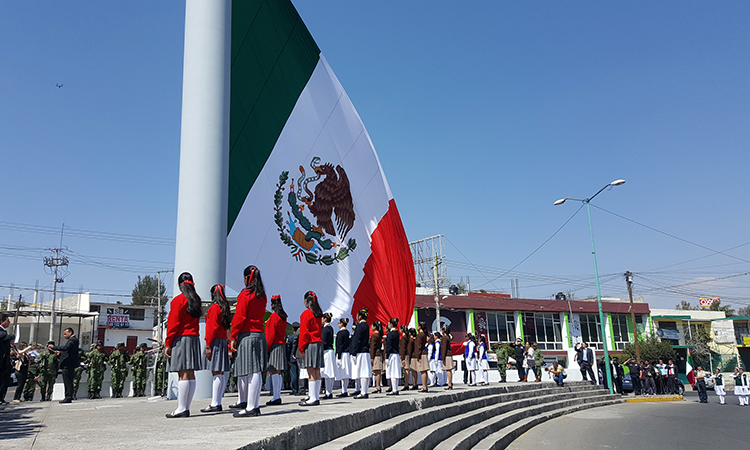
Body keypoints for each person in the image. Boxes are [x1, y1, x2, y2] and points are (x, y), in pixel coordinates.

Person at [230, 265, 268, 417]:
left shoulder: (245, 294)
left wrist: (233, 336)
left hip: (247, 335)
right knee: (256, 370)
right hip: (259, 334)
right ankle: (254, 404)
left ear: (247, 278)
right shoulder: (262, 295)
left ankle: (251, 406)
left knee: (250, 371)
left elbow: (239, 317)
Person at [164, 272, 203, 418]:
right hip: (194, 338)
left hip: (181, 338)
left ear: (180, 285)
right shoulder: (196, 299)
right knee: (190, 374)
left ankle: (181, 408)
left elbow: (173, 324)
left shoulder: (178, 300)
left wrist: (168, 343)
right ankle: (186, 407)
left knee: (182, 374)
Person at [201, 284, 232, 412]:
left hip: (215, 342)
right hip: (223, 340)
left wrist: (208, 345)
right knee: (220, 372)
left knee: (216, 372)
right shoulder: (225, 308)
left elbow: (211, 328)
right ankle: (217, 401)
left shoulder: (214, 308)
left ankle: (215, 403)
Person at [298, 291, 324, 406]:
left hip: (310, 344)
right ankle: (316, 396)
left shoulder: (306, 313)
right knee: (317, 370)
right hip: (318, 343)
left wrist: (301, 348)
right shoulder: (319, 314)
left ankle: (312, 397)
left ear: (306, 301)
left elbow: (304, 332)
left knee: (311, 371)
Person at [261, 294, 288, 407]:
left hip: (274, 345)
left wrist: (266, 348)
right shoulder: (283, 316)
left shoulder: (274, 317)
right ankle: (277, 395)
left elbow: (270, 335)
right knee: (279, 372)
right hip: (281, 345)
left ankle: (276, 396)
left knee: (274, 371)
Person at [51, 327, 80, 404]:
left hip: (68, 364)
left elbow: (66, 348)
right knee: (67, 381)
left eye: (65, 334)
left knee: (68, 381)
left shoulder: (72, 340)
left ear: (70, 333)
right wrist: (60, 353)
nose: (64, 336)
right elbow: (68, 352)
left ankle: (68, 397)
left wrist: (54, 347)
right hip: (68, 364)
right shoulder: (72, 340)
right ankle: (68, 396)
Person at [350, 308, 372, 399]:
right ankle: (365, 391)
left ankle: (363, 392)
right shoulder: (366, 325)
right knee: (365, 372)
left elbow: (357, 340)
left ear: (359, 316)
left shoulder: (360, 326)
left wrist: (354, 352)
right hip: (366, 351)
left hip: (361, 352)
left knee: (362, 372)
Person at [0, 314, 16, 405]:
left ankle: (1, 397)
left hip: (5, 361)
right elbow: (3, 336)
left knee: (5, 380)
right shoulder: (2, 332)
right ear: (2, 321)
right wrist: (11, 337)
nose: (9, 323)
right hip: (2, 360)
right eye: (7, 320)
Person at [320, 312, 336, 400]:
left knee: (327, 373)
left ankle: (328, 392)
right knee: (330, 373)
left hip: (326, 351)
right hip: (330, 351)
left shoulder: (325, 329)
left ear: (325, 319)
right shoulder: (330, 328)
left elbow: (324, 341)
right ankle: (329, 391)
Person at [335, 318, 352, 397]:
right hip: (347, 353)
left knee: (342, 372)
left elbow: (339, 345)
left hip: (342, 354)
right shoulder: (347, 332)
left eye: (339, 323)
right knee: (346, 372)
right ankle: (344, 389)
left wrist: (338, 355)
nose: (338, 324)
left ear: (342, 324)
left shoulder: (340, 333)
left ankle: (343, 390)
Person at [385, 318, 401, 395]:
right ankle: (395, 388)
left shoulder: (390, 334)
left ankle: (394, 389)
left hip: (391, 354)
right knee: (396, 372)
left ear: (391, 324)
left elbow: (388, 346)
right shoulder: (397, 333)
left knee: (393, 372)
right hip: (396, 354)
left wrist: (387, 356)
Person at [369, 321, 384, 394]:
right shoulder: (379, 335)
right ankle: (378, 386)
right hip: (379, 354)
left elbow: (372, 347)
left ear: (375, 327)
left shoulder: (374, 336)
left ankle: (378, 386)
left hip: (376, 354)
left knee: (377, 371)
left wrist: (372, 357)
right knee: (377, 371)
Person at [286, 322, 301, 396]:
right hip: (300, 355)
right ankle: (301, 388)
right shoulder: (301, 336)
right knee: (300, 373)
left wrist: (288, 358)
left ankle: (294, 389)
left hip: (292, 356)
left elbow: (288, 349)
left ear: (293, 329)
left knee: (293, 374)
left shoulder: (290, 338)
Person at [415, 321, 430, 392]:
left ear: (420, 327)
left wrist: (418, 356)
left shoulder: (419, 335)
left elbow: (418, 346)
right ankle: (425, 386)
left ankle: (424, 387)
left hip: (421, 354)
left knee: (423, 371)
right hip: (424, 353)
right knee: (424, 371)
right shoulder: (424, 334)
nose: (416, 327)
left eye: (417, 326)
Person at [441, 325, 453, 390]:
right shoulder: (448, 337)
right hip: (449, 354)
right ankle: (450, 383)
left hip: (446, 355)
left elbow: (444, 348)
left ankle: (449, 384)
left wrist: (443, 357)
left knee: (448, 369)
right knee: (449, 370)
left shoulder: (444, 338)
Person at [399, 325, 410, 390]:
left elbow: (403, 348)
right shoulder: (407, 337)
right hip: (407, 355)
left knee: (406, 369)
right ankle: (407, 383)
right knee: (407, 369)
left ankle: (406, 384)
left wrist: (402, 358)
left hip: (404, 355)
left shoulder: (403, 338)